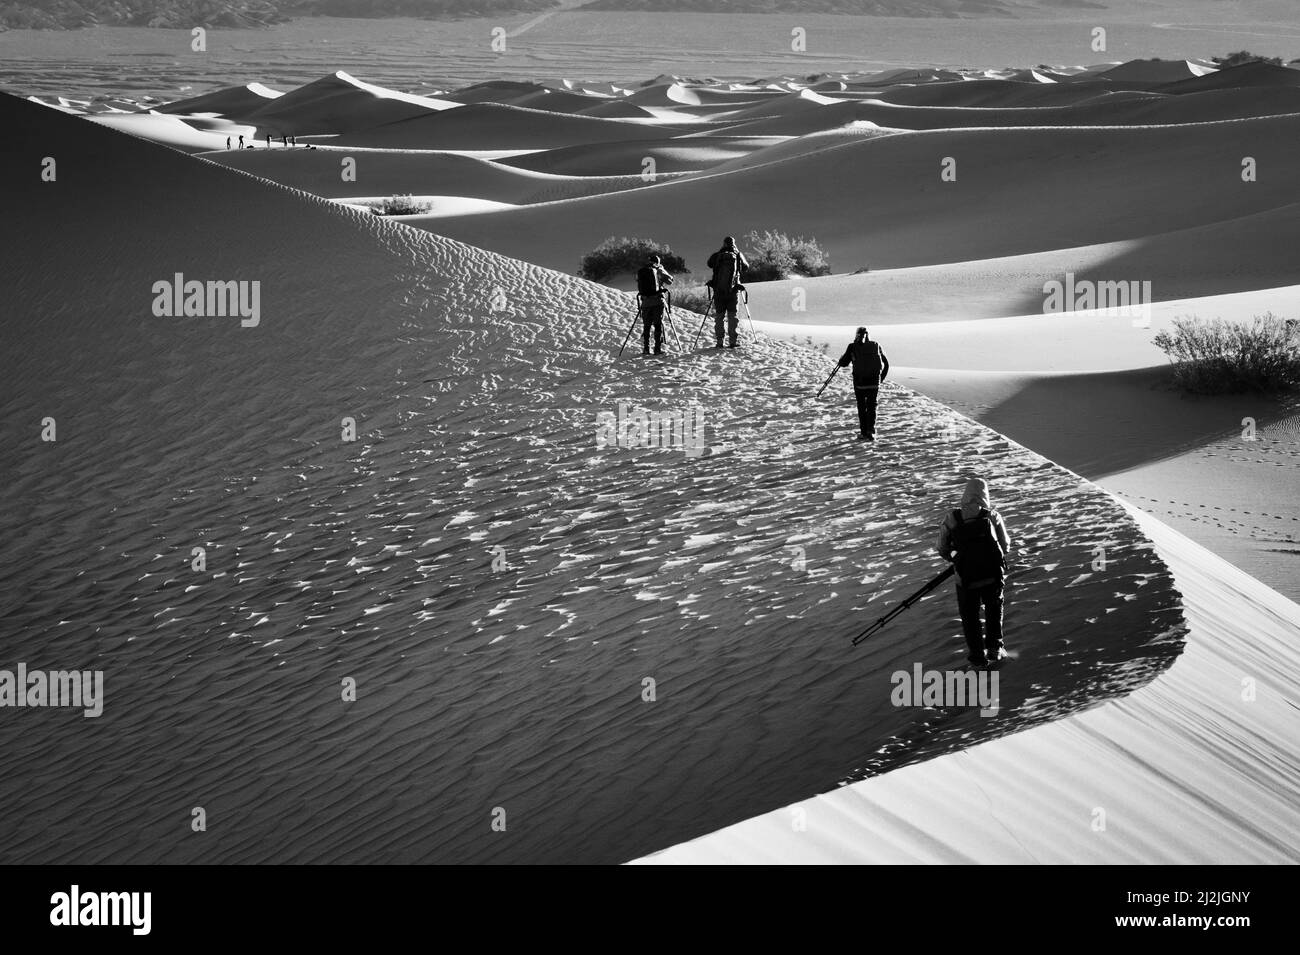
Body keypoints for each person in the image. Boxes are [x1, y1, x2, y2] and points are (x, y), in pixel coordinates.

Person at [936, 478, 1012, 669]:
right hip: (993, 576)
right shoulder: (992, 516)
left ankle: (978, 659)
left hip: (966, 580)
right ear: (985, 495)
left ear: (965, 494)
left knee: (970, 618)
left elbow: (942, 548)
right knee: (994, 611)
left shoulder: (952, 518)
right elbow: (1005, 546)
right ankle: (995, 649)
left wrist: (956, 557)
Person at [837, 326, 889, 441]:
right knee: (872, 406)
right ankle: (871, 431)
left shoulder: (852, 346)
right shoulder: (876, 345)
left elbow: (844, 363)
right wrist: (880, 379)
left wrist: (844, 357)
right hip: (874, 383)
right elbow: (886, 364)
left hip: (860, 383)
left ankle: (863, 432)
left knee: (862, 407)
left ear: (857, 335)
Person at [706, 236, 749, 348]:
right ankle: (732, 341)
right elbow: (746, 267)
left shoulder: (717, 255)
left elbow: (709, 264)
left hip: (718, 291)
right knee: (732, 316)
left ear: (724, 243)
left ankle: (720, 341)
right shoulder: (738, 255)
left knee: (719, 316)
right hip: (733, 291)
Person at [636, 255, 673, 355]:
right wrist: (662, 270)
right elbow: (670, 281)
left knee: (647, 325)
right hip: (657, 301)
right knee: (657, 324)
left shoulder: (642, 270)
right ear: (658, 262)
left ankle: (646, 348)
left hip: (645, 302)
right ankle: (657, 349)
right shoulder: (659, 269)